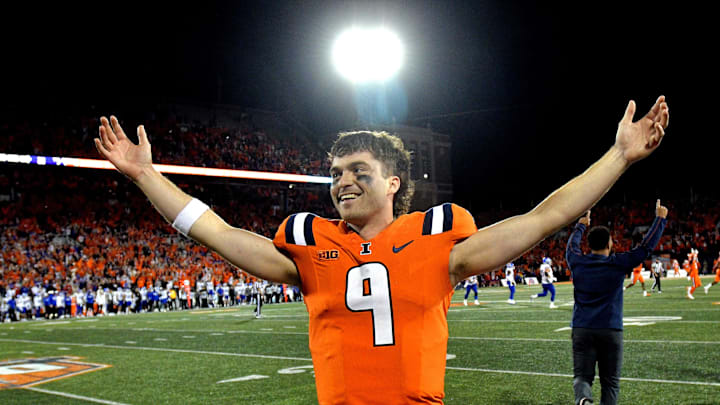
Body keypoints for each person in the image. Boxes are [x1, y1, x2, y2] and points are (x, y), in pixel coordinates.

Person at [94, 95, 668, 404]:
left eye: (358, 170)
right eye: (336, 171)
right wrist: (146, 176)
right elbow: (216, 232)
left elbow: (545, 217)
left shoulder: (438, 238)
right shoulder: (310, 244)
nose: (342, 181)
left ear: (393, 182)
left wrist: (618, 157)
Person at [566, 201, 667, 405]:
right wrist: (660, 219)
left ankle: (584, 399)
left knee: (582, 378)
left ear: (590, 244)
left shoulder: (577, 261)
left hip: (582, 328)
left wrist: (581, 224)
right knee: (610, 383)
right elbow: (645, 248)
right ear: (610, 244)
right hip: (610, 329)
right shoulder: (617, 263)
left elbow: (571, 246)